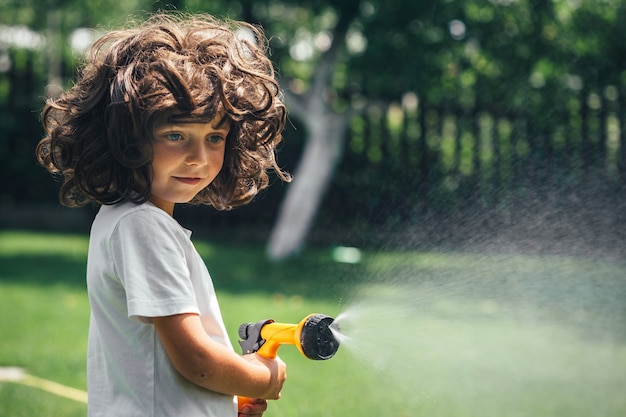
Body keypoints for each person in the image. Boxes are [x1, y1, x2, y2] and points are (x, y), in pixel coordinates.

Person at [36, 12, 291, 417]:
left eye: (215, 137)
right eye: (176, 136)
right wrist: (261, 377)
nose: (199, 158)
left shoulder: (124, 218)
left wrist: (223, 401)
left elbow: (163, 365)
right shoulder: (142, 226)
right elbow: (198, 362)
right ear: (126, 136)